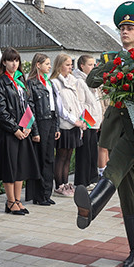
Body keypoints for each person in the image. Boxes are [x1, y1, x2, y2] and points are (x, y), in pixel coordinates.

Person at [75, 1, 134, 267]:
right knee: (126, 190)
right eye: (122, 28)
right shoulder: (111, 57)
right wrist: (114, 65)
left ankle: (92, 206)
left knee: (116, 171)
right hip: (113, 128)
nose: (125, 32)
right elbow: (91, 80)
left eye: (130, 28)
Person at [0, 47, 38, 215]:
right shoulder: (0, 82)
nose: (14, 63)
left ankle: (18, 200)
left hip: (23, 130)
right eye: (11, 60)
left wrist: (28, 126)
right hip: (9, 133)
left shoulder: (21, 81)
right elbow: (1, 111)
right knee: (10, 168)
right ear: (4, 62)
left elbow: (29, 105)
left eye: (17, 60)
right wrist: (15, 129)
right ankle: (10, 202)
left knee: (21, 167)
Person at [26, 53, 60, 206]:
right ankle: (38, 195)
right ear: (38, 65)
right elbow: (31, 108)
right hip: (40, 122)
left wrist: (57, 125)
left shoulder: (49, 83)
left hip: (51, 120)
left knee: (49, 158)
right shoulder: (32, 83)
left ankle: (47, 193)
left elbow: (55, 106)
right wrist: (35, 131)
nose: (49, 66)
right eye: (46, 63)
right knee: (40, 159)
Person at [52, 53, 86, 197]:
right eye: (67, 65)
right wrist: (73, 120)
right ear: (59, 66)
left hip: (75, 124)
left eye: (71, 64)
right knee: (61, 155)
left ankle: (66, 183)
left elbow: (78, 101)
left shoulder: (73, 81)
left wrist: (81, 120)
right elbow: (60, 108)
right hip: (65, 124)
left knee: (69, 156)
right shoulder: (54, 82)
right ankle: (59, 185)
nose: (70, 67)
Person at [73, 54, 103, 188]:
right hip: (86, 122)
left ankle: (92, 178)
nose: (93, 67)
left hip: (94, 121)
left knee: (92, 151)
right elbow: (80, 103)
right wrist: (85, 121)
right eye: (90, 64)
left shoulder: (92, 81)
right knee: (84, 152)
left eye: (94, 64)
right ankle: (82, 181)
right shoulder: (80, 81)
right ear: (82, 66)